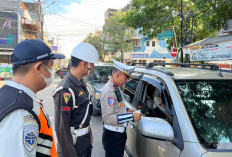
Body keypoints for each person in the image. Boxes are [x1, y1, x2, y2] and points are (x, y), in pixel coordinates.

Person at [0, 39, 65, 157]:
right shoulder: (20, 112)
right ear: (39, 67)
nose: (52, 71)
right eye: (51, 65)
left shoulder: (14, 96)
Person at [53, 43, 99, 157]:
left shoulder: (81, 83)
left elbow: (84, 113)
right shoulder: (65, 89)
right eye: (92, 64)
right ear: (84, 64)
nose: (93, 67)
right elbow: (62, 129)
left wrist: (89, 133)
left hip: (84, 142)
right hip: (73, 146)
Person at [100, 59, 142, 157]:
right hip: (113, 136)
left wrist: (127, 110)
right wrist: (130, 116)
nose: (127, 81)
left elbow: (116, 107)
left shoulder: (115, 87)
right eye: (126, 77)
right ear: (117, 75)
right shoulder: (109, 91)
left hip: (117, 135)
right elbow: (107, 118)